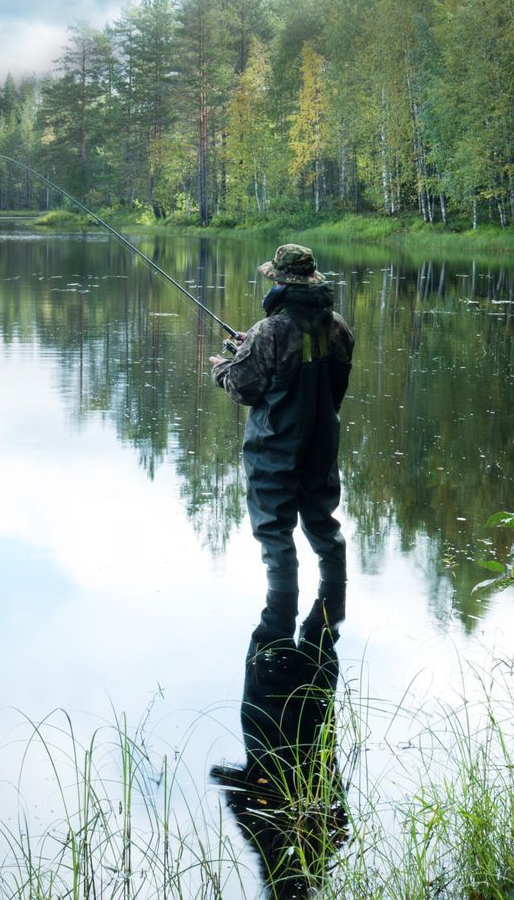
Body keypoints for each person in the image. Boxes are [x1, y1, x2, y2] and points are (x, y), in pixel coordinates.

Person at [209, 243, 353, 594]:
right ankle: (334, 602)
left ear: (283, 284)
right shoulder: (337, 326)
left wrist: (224, 367)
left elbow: (245, 390)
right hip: (321, 444)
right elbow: (333, 384)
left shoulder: (269, 331)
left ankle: (278, 622)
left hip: (274, 448)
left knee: (275, 534)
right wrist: (251, 349)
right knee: (323, 525)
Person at [211, 585, 349, 900]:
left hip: (309, 708)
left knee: (320, 614)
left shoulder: (329, 840)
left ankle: (326, 550)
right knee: (281, 606)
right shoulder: (264, 837)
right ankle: (300, 541)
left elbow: (341, 818)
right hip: (272, 702)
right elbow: (230, 787)